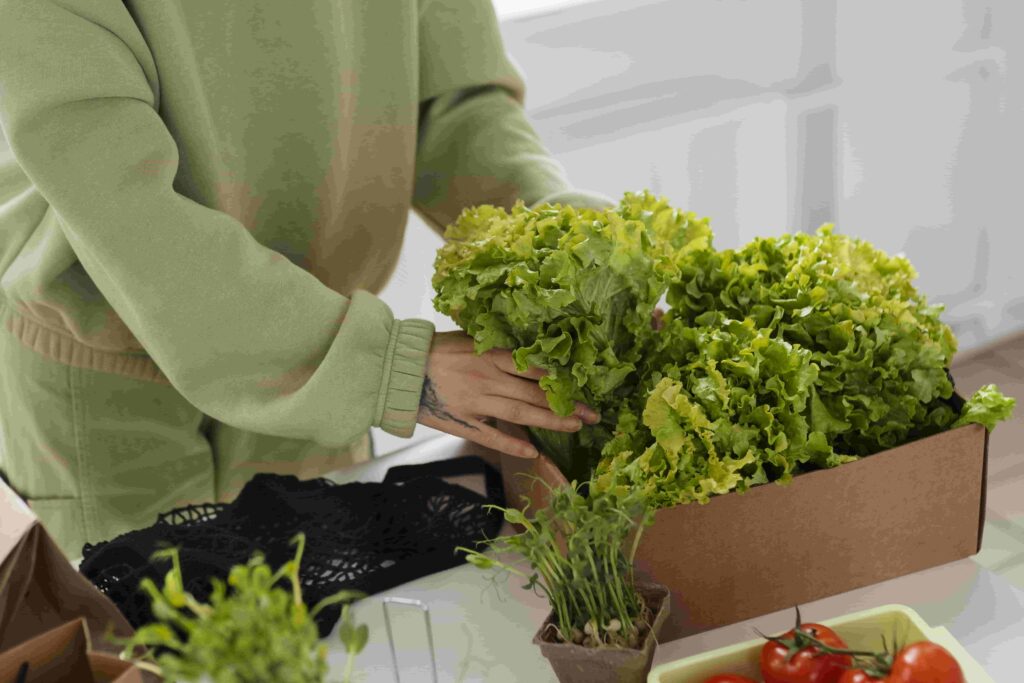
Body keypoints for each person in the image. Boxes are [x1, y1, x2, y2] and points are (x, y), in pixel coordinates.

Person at [0, 0, 609, 558]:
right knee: (169, 666)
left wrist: (566, 253)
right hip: (119, 394)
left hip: (315, 357)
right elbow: (123, 202)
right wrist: (389, 366)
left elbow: (449, 103)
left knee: (336, 649)